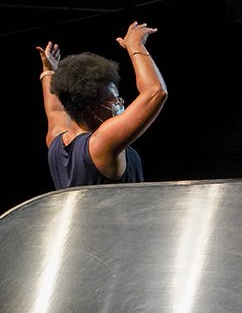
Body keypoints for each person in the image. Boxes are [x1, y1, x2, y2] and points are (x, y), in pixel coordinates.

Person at [38, 22, 168, 189]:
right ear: (92, 109)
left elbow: (55, 109)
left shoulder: (56, 141)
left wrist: (49, 71)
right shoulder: (101, 144)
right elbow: (155, 92)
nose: (120, 103)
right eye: (114, 99)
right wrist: (135, 45)